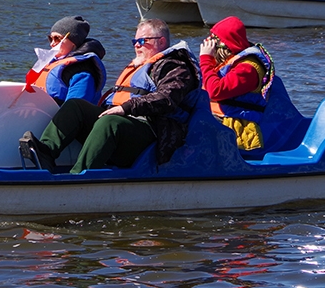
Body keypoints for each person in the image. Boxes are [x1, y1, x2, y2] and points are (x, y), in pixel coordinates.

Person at [19, 19, 201, 174]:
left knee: (110, 123)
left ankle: (79, 177)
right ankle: (46, 152)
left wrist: (126, 108)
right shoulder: (141, 65)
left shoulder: (175, 67)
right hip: (125, 125)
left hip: (152, 131)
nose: (136, 45)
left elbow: (167, 98)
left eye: (142, 40)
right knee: (76, 107)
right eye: (134, 41)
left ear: (161, 42)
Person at [199, 17, 279, 153]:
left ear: (225, 46)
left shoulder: (248, 69)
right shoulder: (227, 63)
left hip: (237, 132)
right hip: (216, 123)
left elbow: (216, 91)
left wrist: (206, 59)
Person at [31, 16, 107, 105]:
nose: (52, 44)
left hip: (63, 117)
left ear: (74, 41)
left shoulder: (82, 72)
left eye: (57, 38)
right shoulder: (52, 63)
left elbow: (73, 109)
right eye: (50, 38)